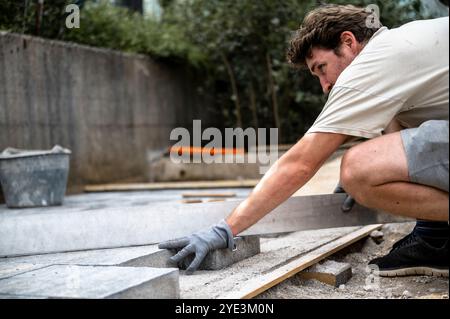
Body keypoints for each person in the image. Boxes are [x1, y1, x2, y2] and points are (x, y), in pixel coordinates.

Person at [159, 4, 449, 277]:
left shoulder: (368, 68)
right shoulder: (405, 40)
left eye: (321, 68)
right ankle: (435, 238)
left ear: (348, 42)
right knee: (385, 149)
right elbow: (403, 131)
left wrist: (226, 229)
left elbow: (300, 163)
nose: (325, 86)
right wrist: (392, 170)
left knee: (357, 168)